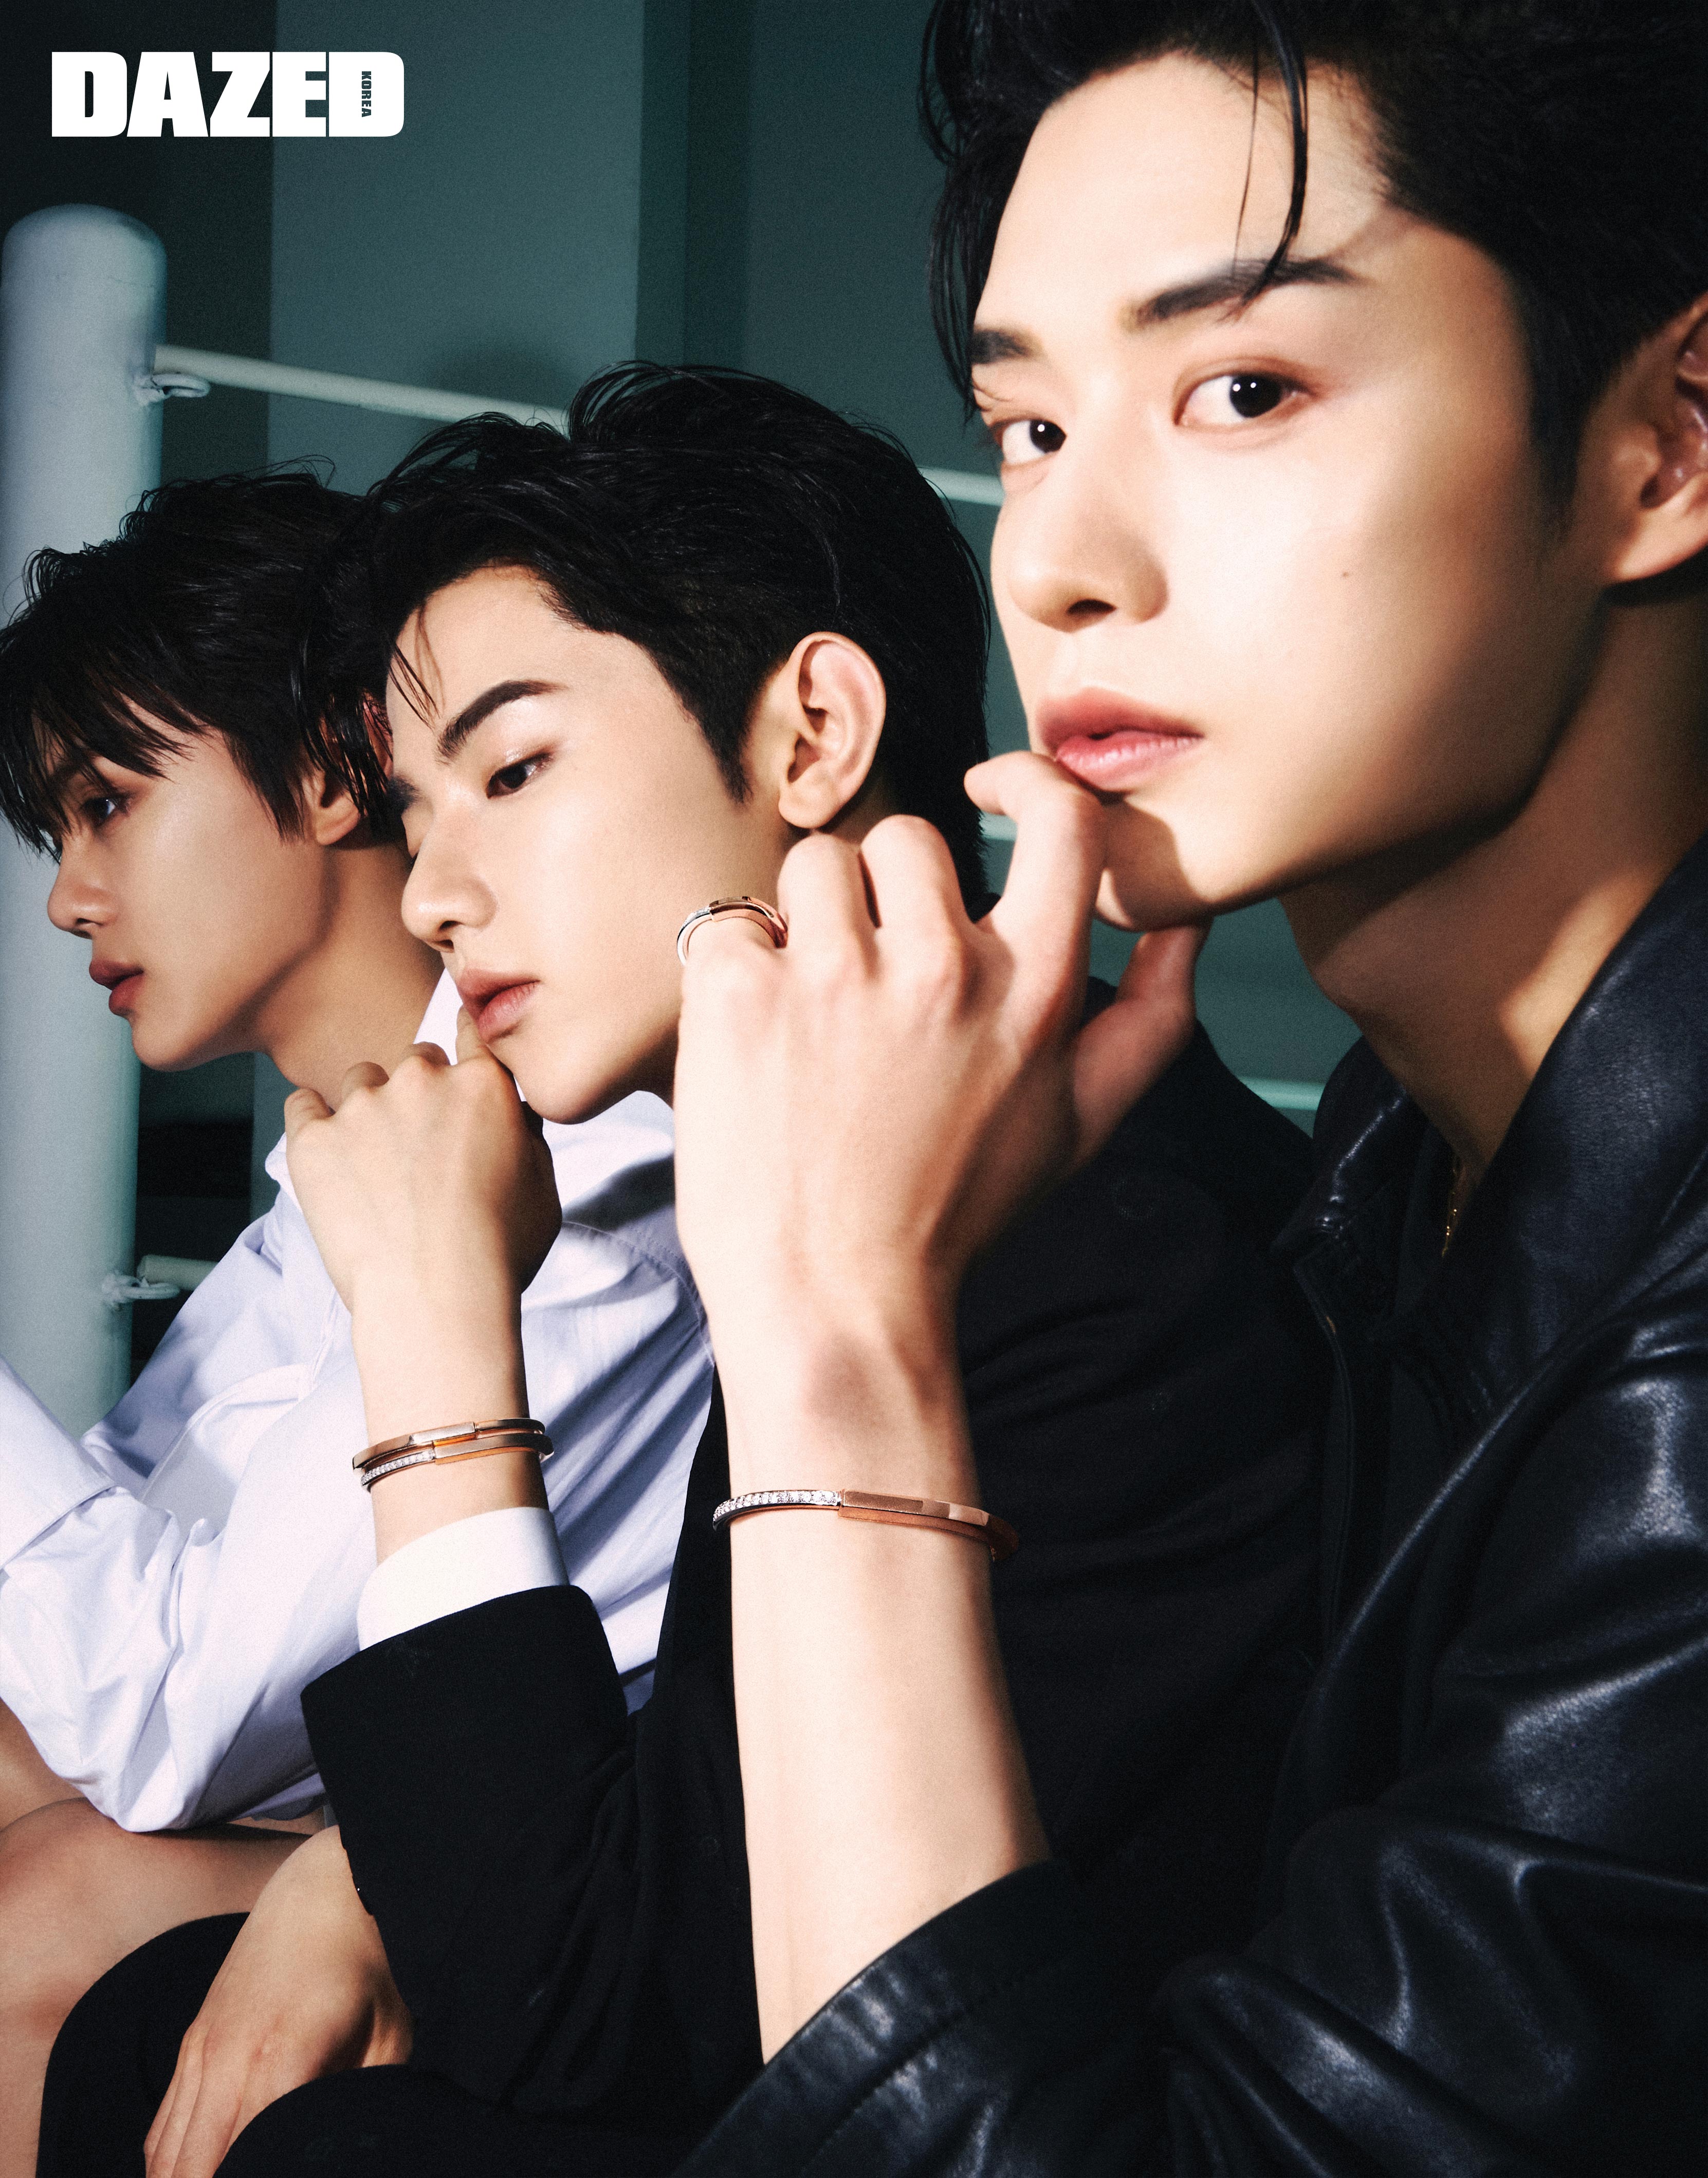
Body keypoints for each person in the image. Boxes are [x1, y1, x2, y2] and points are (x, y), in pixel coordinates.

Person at [67, 0, 1708, 2171]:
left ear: (1666, 442)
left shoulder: (1132, 1239)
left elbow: (621, 2010)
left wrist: (785, 1336)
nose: (1061, 561)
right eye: (1027, 426)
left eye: (1242, 388)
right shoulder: (1386, 1174)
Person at [40, 365, 1326, 2174]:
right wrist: (346, 1872)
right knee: (148, 2022)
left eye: (513, 771)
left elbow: (583, 2018)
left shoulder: (1100, 1249)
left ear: (811, 736)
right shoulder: (837, 1143)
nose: (431, 894)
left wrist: (435, 1340)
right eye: (417, 805)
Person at [0, 468, 713, 2172]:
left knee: (51, 1908)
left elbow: (158, 1724)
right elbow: (117, 1630)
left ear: (328, 773)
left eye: (107, 805)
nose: (68, 897)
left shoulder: (576, 1164)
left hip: (559, 1892)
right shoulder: (329, 1173)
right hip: (374, 1828)